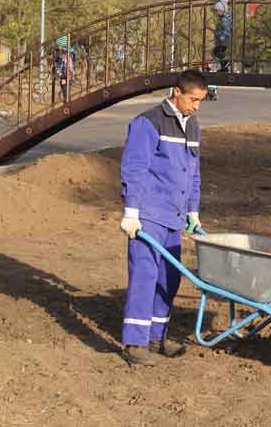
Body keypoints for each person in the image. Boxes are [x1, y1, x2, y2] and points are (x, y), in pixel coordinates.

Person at [118, 69, 208, 366]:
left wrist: (193, 211)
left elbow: (192, 173)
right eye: (193, 100)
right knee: (145, 274)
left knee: (170, 277)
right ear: (177, 92)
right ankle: (134, 343)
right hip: (148, 215)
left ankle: (157, 336)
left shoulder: (192, 126)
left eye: (200, 101)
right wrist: (131, 212)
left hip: (174, 215)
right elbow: (135, 168)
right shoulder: (148, 123)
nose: (196, 106)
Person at [213, 0, 232, 72]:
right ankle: (224, 67)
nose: (216, 13)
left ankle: (225, 65)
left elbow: (226, 28)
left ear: (222, 10)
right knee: (218, 52)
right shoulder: (222, 18)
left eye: (218, 11)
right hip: (221, 38)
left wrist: (222, 36)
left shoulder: (225, 19)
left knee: (218, 52)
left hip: (224, 39)